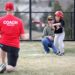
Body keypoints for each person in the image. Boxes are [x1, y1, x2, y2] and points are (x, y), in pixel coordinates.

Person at [0, 2, 26, 73]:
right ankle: (5, 67)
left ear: (6, 10)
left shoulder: (0, 20)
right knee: (11, 68)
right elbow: (23, 37)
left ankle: (2, 64)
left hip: (3, 44)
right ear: (13, 10)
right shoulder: (19, 21)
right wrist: (26, 36)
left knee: (2, 45)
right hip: (14, 46)